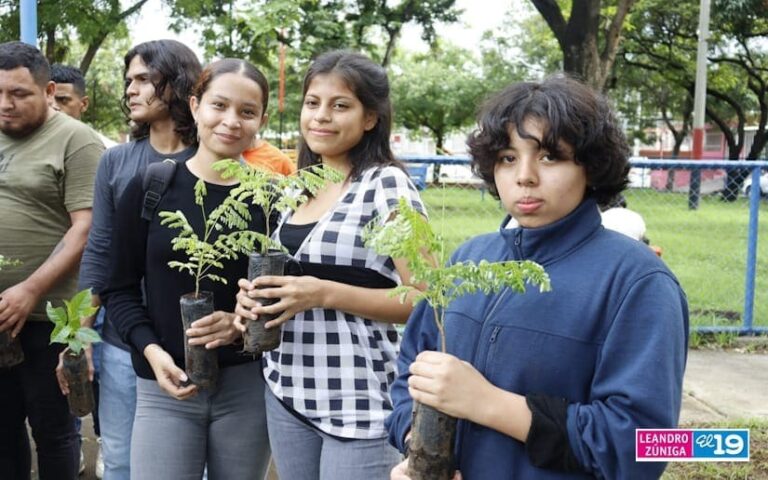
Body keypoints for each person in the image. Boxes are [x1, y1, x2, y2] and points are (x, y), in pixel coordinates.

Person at [386, 76, 689, 479]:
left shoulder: (638, 283)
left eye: (549, 157)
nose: (524, 176)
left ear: (591, 165)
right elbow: (411, 374)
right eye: (508, 158)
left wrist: (490, 403)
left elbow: (642, 446)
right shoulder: (469, 259)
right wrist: (419, 449)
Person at [234, 50, 426, 480]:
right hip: (287, 388)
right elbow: (289, 276)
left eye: (340, 105)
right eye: (312, 102)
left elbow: (425, 298)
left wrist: (323, 293)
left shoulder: (385, 185)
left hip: (357, 397)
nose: (321, 116)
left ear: (370, 118)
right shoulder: (298, 189)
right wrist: (250, 301)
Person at [102, 58, 273, 479]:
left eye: (247, 112)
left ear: (261, 121)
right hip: (164, 386)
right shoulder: (151, 186)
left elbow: (282, 293)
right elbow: (119, 288)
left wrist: (239, 322)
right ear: (195, 106)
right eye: (219, 105)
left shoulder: (271, 202)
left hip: (246, 387)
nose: (231, 121)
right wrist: (151, 352)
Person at [64, 40, 201, 480]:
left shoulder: (211, 162)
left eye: (143, 79)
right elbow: (99, 251)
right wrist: (79, 338)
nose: (131, 90)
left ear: (177, 83)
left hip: (193, 345)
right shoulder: (116, 162)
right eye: (128, 81)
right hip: (124, 341)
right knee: (120, 459)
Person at [0, 41, 103, 480]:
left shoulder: (77, 140)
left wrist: (30, 290)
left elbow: (87, 228)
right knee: (2, 433)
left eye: (19, 93)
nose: (6, 104)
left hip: (51, 317)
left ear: (49, 90)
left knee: (54, 432)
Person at [50, 63, 116, 150]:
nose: (54, 106)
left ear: (84, 104)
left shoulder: (90, 146)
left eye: (63, 100)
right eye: (49, 100)